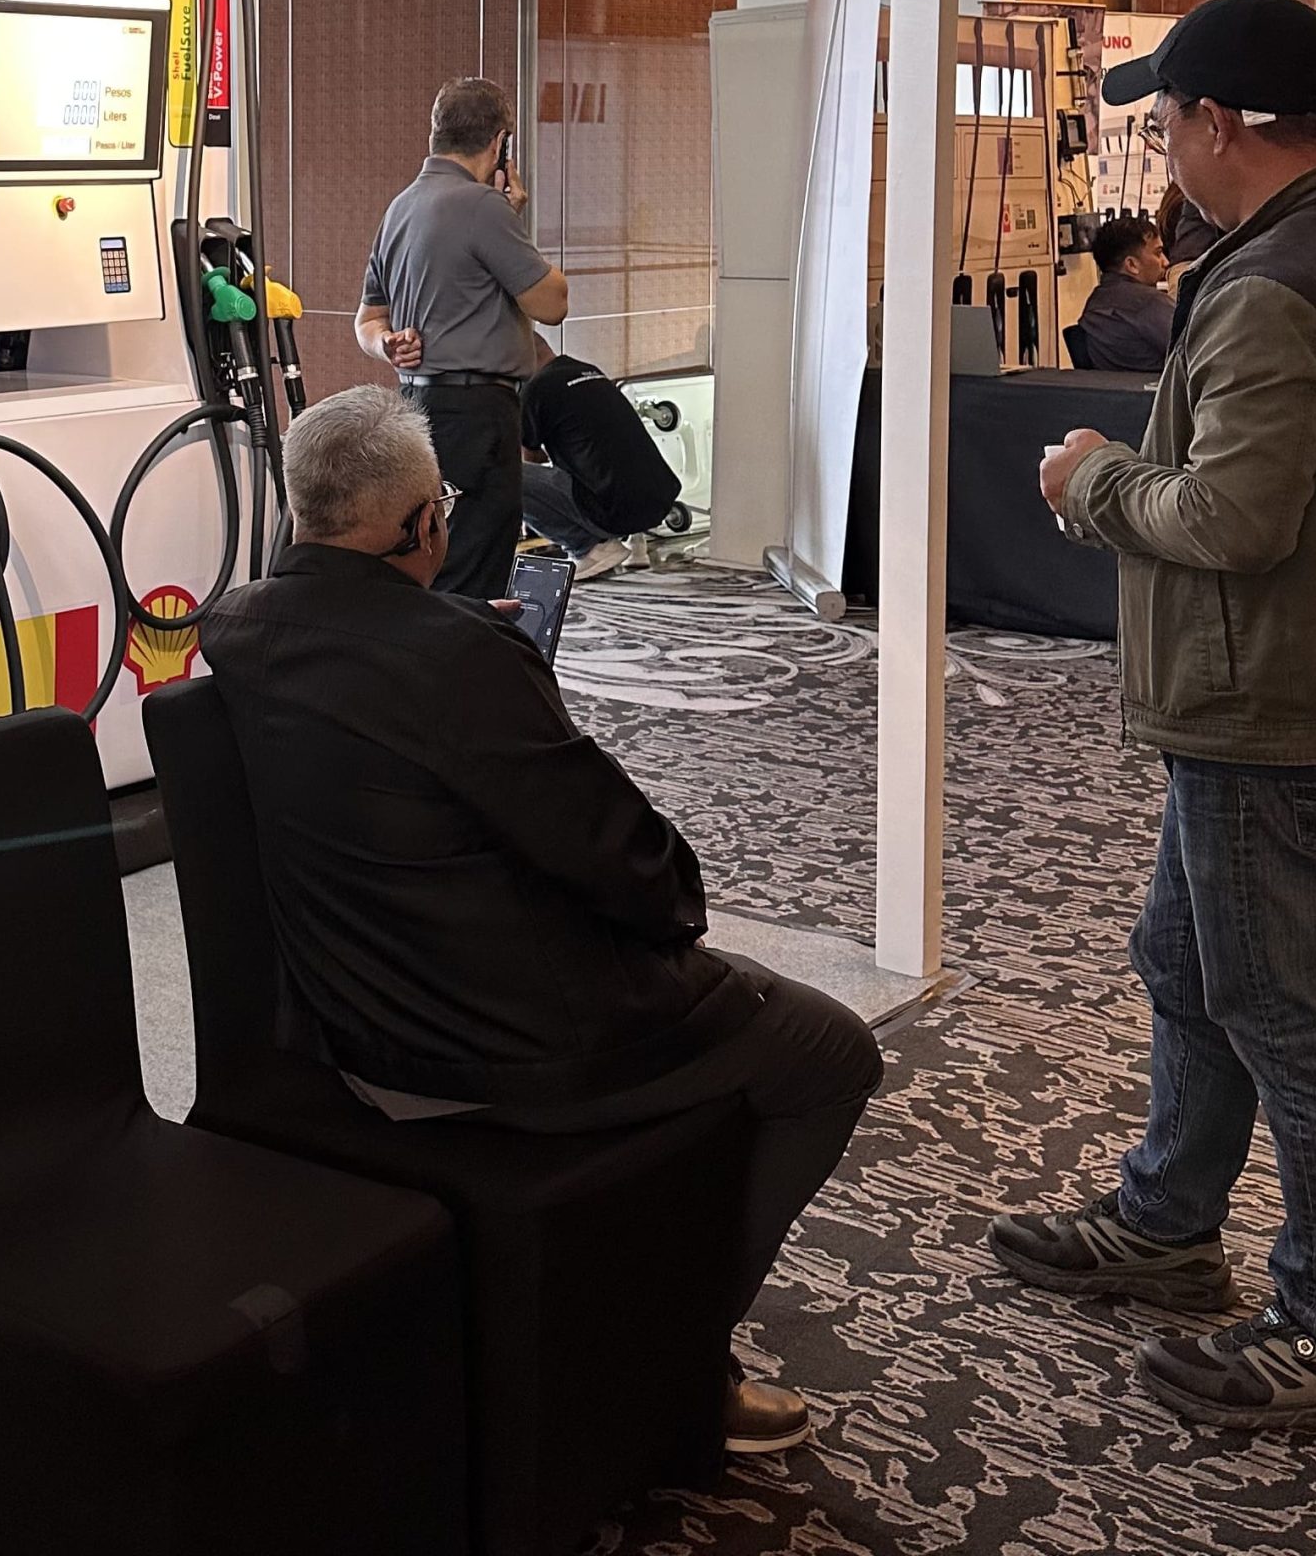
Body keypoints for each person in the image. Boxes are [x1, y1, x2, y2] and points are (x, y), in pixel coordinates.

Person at [202, 386, 884, 1459]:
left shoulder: (233, 629)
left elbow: (359, 651)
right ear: (424, 524)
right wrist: (482, 658)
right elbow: (629, 866)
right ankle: (674, 1364)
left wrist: (455, 637)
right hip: (503, 1044)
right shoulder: (460, 660)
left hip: (343, 1021)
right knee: (830, 1052)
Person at [992, 0, 1316, 1437]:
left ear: (1214, 124)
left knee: (1285, 1010)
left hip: (1274, 702)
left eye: (1168, 120)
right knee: (1189, 959)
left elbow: (1233, 519)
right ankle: (1167, 1218)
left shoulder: (1268, 282)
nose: (1163, 151)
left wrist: (1089, 480)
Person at [356, 78, 568, 597]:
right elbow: (553, 304)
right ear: (500, 144)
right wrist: (511, 220)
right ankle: (466, 650)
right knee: (476, 562)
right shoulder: (483, 208)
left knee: (433, 552)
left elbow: (368, 320)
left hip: (417, 408)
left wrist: (386, 344)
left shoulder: (401, 206)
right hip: (477, 414)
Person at [518, 352, 685, 580]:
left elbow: (527, 458)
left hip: (611, 510)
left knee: (501, 475)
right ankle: (636, 541)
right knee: (607, 457)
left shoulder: (536, 388)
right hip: (660, 500)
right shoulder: (589, 372)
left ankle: (587, 548)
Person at [1078, 213, 1175, 373]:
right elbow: (1197, 349)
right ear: (1131, 265)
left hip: (1112, 387)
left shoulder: (1095, 302)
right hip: (1160, 385)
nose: (1166, 262)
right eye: (1158, 253)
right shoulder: (1148, 303)